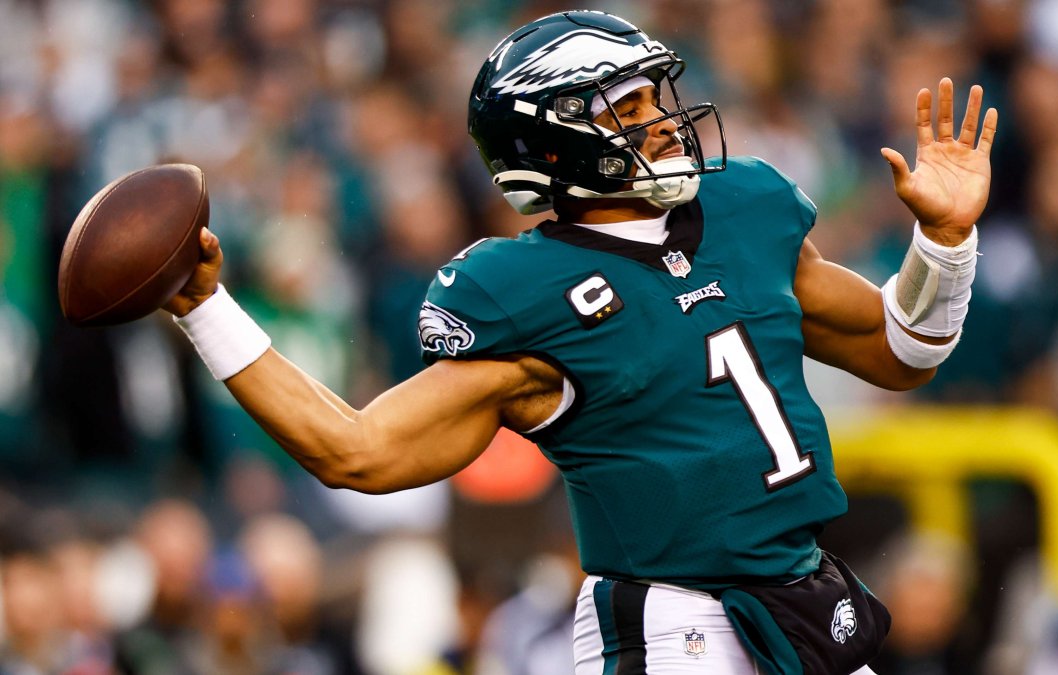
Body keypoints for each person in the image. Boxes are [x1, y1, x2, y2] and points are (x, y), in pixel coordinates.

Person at [164, 10, 996, 674]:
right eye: (628, 110)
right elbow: (356, 451)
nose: (665, 122)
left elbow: (900, 350)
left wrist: (945, 242)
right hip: (673, 628)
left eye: (656, 97)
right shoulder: (523, 295)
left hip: (802, 600)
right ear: (553, 143)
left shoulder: (746, 210)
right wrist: (207, 307)